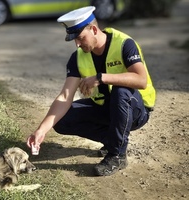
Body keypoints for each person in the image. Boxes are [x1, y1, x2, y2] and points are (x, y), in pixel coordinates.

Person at [26, 6, 156, 176]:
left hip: (136, 109)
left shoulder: (124, 43)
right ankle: (114, 141)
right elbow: (65, 96)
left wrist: (102, 77)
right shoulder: (78, 57)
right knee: (62, 119)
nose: (77, 44)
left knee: (121, 91)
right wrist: (41, 130)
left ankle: (117, 155)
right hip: (107, 109)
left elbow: (141, 80)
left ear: (94, 29)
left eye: (80, 38)